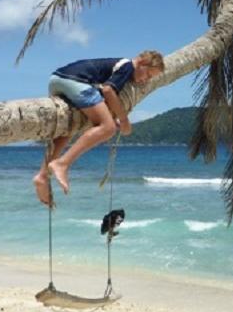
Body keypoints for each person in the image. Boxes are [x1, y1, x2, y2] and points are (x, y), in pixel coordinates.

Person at [32, 51, 165, 205]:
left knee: (68, 129)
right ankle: (62, 164)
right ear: (141, 62)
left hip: (57, 79)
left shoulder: (120, 66)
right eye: (148, 74)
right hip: (75, 81)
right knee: (108, 128)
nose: (145, 80)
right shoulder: (128, 66)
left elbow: (103, 96)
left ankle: (42, 176)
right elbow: (108, 90)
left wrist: (112, 116)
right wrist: (123, 119)